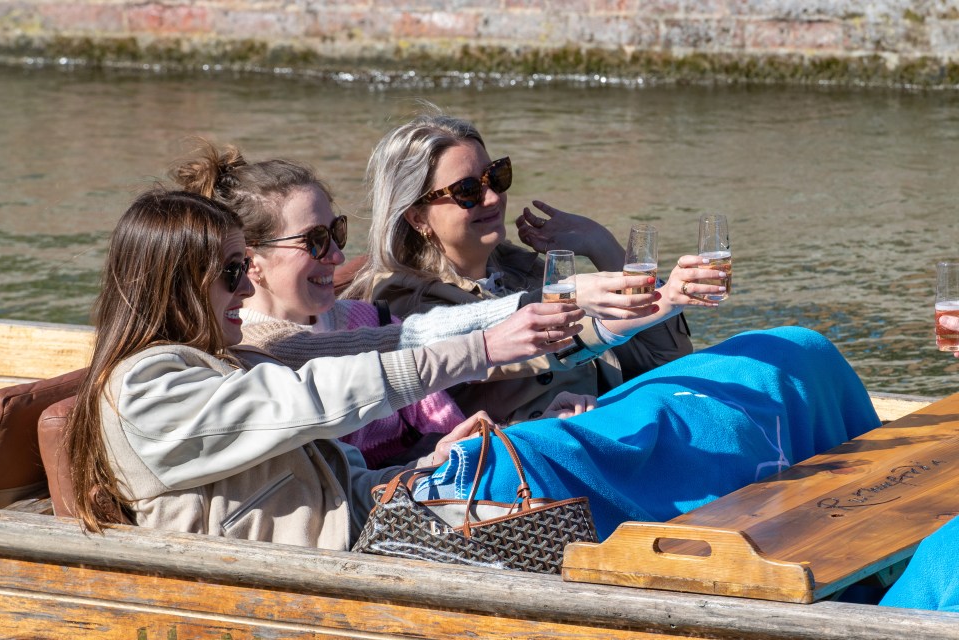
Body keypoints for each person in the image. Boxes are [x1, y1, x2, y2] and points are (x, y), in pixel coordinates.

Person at [64, 188, 585, 548]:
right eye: (231, 272)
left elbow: (339, 490)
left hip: (374, 534)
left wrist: (425, 467)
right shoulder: (146, 390)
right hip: (329, 575)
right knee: (570, 466)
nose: (247, 288)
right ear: (175, 282)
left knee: (573, 441)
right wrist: (481, 348)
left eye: (243, 269)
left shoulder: (223, 362)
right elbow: (313, 397)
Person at [169, 141, 655, 467]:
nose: (338, 256)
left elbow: (432, 396)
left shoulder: (364, 318)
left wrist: (521, 429)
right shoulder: (258, 354)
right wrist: (540, 311)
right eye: (316, 241)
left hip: (413, 500)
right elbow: (414, 350)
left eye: (336, 232)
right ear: (252, 263)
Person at [344, 110, 724, 424]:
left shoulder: (523, 270)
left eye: (495, 177)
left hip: (615, 430)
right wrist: (661, 300)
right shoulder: (401, 301)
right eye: (467, 192)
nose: (492, 198)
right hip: (533, 477)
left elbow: (666, 360)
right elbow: (498, 357)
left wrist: (601, 244)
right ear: (416, 216)